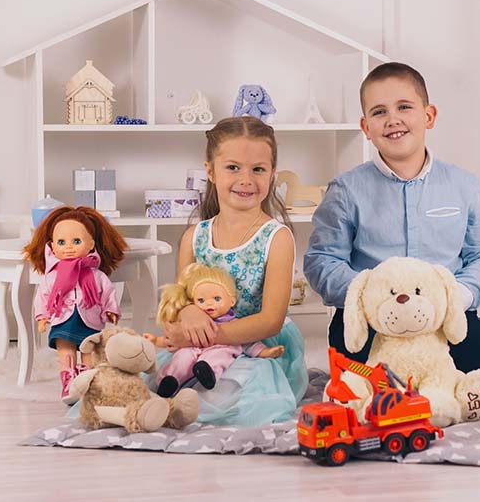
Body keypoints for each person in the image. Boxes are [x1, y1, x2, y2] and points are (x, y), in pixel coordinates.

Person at [304, 62, 480, 386]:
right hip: (371, 325)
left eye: (404, 107)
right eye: (379, 112)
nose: (393, 120)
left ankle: (444, 390)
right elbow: (322, 261)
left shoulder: (467, 187)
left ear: (428, 116)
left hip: (445, 320)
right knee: (362, 388)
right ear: (365, 126)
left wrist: (452, 299)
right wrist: (371, 300)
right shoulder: (346, 191)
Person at [151, 115, 307, 425]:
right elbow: (178, 300)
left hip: (256, 343)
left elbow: (270, 320)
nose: (246, 179)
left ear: (272, 173)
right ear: (209, 170)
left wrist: (205, 338)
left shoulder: (276, 238)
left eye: (258, 169)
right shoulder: (194, 237)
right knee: (165, 380)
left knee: (236, 392)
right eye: (233, 167)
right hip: (201, 341)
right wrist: (187, 315)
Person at [23, 206, 127, 404]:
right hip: (62, 318)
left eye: (76, 241)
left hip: (90, 320)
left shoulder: (96, 275)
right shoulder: (52, 276)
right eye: (61, 242)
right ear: (52, 246)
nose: (68, 247)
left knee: (89, 354)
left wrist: (111, 310)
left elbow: (107, 292)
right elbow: (43, 296)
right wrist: (42, 316)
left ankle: (89, 384)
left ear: (91, 245)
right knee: (66, 352)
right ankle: (69, 383)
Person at [144, 263, 284, 398]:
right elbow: (176, 339)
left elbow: (249, 343)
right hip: (192, 348)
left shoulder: (234, 324)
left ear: (231, 301)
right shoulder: (195, 322)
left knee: (219, 356)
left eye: (216, 299)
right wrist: (157, 340)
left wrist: (266, 352)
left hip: (219, 349)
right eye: (201, 300)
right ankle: (170, 380)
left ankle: (208, 373)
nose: (209, 303)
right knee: (182, 357)